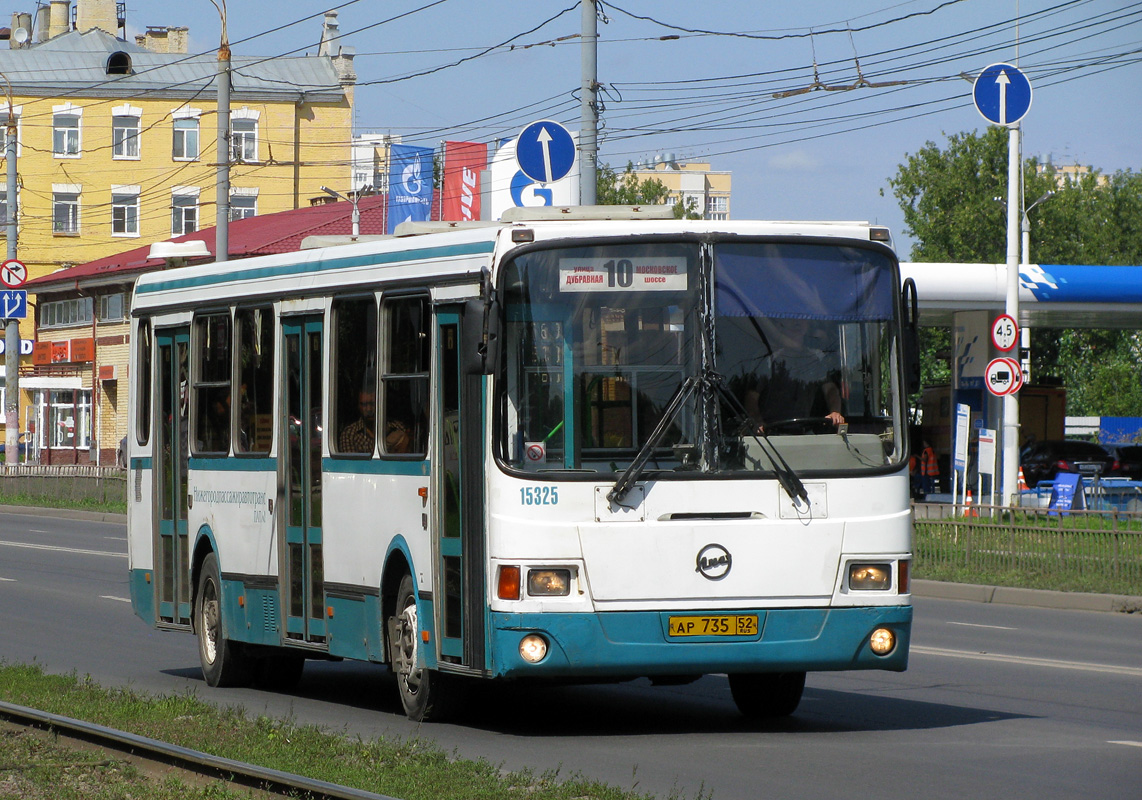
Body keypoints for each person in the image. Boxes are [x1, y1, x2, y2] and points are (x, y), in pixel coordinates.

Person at [743, 316, 844, 432]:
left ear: (808, 324)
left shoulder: (816, 359)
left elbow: (831, 390)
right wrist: (757, 421)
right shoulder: (768, 358)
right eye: (790, 317)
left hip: (806, 433)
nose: (797, 322)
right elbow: (751, 397)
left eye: (802, 317)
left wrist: (835, 412)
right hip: (771, 435)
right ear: (779, 324)